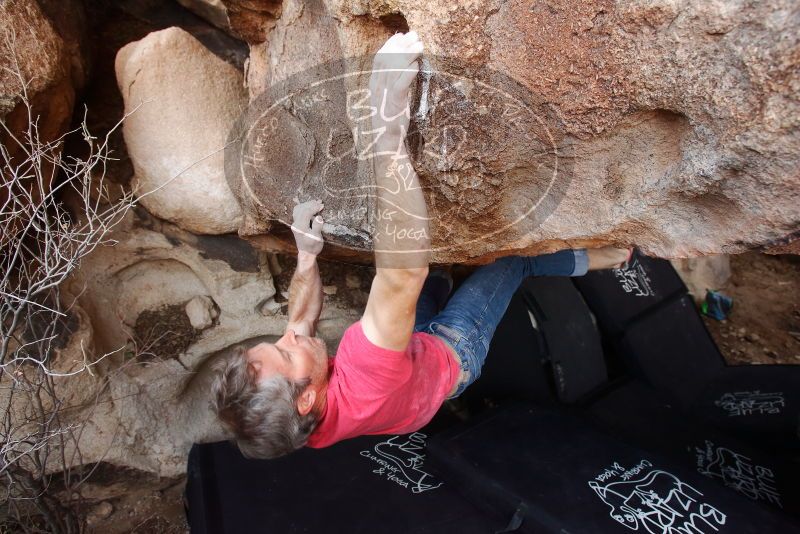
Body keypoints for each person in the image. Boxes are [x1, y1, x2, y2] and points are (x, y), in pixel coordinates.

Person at [211, 32, 630, 459]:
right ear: (304, 400)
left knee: (439, 276)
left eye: (277, 343)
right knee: (507, 265)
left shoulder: (299, 417)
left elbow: (299, 323)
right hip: (450, 356)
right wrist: (386, 131)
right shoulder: (364, 372)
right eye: (286, 352)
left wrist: (306, 254)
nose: (290, 339)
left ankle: (450, 285)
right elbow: (403, 274)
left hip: (409, 367)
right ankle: (601, 258)